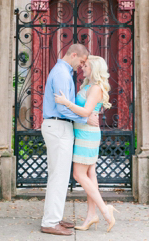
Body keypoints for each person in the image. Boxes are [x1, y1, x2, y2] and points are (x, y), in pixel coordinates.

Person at [40, 43, 99, 236]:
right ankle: (50, 222)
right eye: (81, 61)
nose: (81, 66)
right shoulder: (62, 74)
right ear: (73, 55)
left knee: (60, 176)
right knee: (58, 176)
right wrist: (85, 118)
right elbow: (63, 108)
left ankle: (54, 218)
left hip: (60, 127)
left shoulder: (63, 72)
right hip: (57, 126)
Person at [55, 55, 118, 232]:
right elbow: (87, 112)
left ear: (95, 69)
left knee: (78, 174)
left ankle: (105, 211)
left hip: (87, 135)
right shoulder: (88, 86)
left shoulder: (96, 88)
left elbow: (86, 111)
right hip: (83, 131)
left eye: (86, 65)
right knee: (90, 174)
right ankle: (91, 215)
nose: (83, 67)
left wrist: (66, 102)